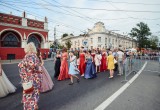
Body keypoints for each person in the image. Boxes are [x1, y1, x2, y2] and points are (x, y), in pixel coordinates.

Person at [18, 42, 42, 110]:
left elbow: (20, 66)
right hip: (35, 79)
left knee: (28, 94)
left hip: (27, 80)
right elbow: (37, 68)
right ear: (34, 48)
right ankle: (34, 106)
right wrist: (39, 72)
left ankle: (29, 107)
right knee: (35, 93)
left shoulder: (26, 57)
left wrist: (24, 77)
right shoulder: (35, 57)